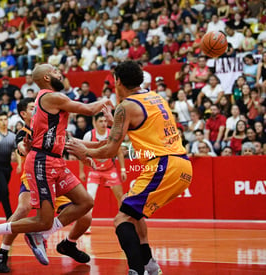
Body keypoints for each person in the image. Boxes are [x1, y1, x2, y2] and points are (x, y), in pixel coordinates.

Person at [0, 64, 112, 266]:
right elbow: (89, 109)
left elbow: (68, 139)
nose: (60, 72)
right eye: (56, 70)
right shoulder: (50, 97)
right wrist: (109, 101)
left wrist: (95, 148)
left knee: (86, 203)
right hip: (41, 162)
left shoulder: (52, 107)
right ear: (47, 77)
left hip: (55, 161)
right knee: (31, 213)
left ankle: (45, 236)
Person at [66, 61, 192, 275]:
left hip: (162, 165)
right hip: (182, 165)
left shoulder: (126, 107)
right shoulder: (155, 97)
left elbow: (109, 150)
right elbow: (142, 123)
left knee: (121, 219)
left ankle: (136, 270)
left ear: (117, 81)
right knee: (133, 211)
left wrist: (83, 152)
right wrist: (115, 121)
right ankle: (150, 264)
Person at [0, 98, 92, 272]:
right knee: (23, 209)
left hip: (55, 175)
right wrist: (26, 148)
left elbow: (72, 142)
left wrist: (91, 153)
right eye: (33, 108)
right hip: (32, 177)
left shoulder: (51, 127)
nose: (38, 110)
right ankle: (3, 252)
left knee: (85, 216)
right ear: (23, 114)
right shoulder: (23, 131)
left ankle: (68, 244)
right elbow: (22, 146)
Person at [80, 112, 126, 224]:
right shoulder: (89, 135)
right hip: (95, 170)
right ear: (94, 122)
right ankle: (86, 224)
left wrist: (123, 170)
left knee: (120, 196)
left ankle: (124, 222)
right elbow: (82, 154)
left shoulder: (112, 134)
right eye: (100, 121)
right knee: (89, 199)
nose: (103, 123)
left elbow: (119, 153)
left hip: (110, 169)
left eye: (105, 121)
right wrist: (81, 171)